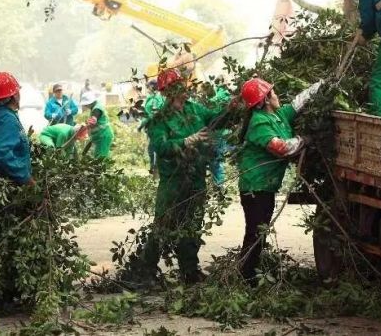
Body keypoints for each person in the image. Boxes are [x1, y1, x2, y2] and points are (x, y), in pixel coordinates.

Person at [133, 68, 228, 285]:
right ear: (168, 92)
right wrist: (187, 140)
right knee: (163, 225)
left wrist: (230, 108)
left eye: (184, 86)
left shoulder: (195, 109)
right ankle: (145, 273)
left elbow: (216, 120)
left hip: (196, 178)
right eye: (178, 87)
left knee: (192, 225)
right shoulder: (160, 119)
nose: (184, 90)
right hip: (173, 181)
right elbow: (161, 146)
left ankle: (190, 271)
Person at [237, 77, 323, 284]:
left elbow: (297, 103)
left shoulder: (277, 116)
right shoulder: (259, 122)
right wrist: (304, 140)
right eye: (273, 93)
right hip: (255, 188)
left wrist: (321, 85)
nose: (277, 95)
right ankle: (246, 277)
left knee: (260, 231)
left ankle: (248, 274)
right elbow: (281, 148)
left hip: (265, 187)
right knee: (255, 233)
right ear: (265, 99)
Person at [0, 72, 35, 186]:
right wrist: (26, 178)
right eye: (17, 91)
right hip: (8, 187)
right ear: (14, 95)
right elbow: (1, 151)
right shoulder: (7, 119)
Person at [139, 79, 165, 175]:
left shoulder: (156, 98)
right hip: (151, 128)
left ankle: (156, 170)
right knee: (152, 149)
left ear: (153, 87)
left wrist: (143, 124)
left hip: (156, 127)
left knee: (154, 149)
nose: (147, 89)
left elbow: (154, 113)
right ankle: (154, 169)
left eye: (148, 87)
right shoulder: (151, 97)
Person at [81, 90, 114, 159]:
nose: (86, 106)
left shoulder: (96, 109)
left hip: (103, 135)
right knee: (100, 155)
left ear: (90, 102)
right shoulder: (97, 106)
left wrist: (84, 127)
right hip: (101, 136)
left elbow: (93, 121)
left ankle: (103, 169)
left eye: (86, 104)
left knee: (100, 158)